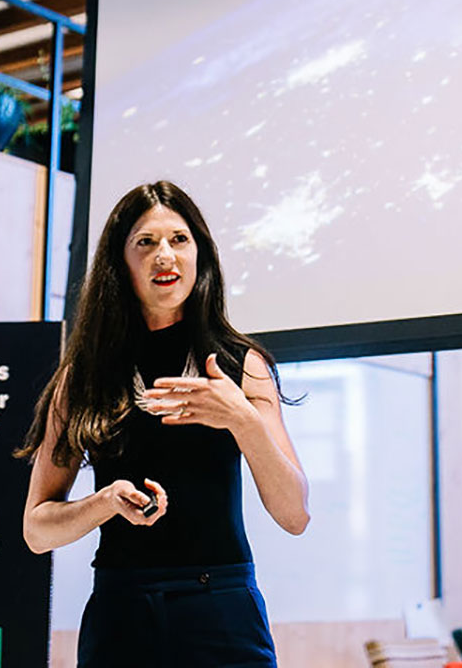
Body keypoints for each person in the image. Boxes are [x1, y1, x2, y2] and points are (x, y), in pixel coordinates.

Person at [18, 181, 309, 667]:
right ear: (121, 263)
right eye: (145, 242)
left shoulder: (242, 365)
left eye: (179, 239)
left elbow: (294, 515)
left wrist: (242, 420)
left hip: (222, 608)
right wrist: (103, 503)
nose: (165, 256)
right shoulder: (85, 376)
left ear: (200, 255)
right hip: (122, 612)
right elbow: (36, 530)